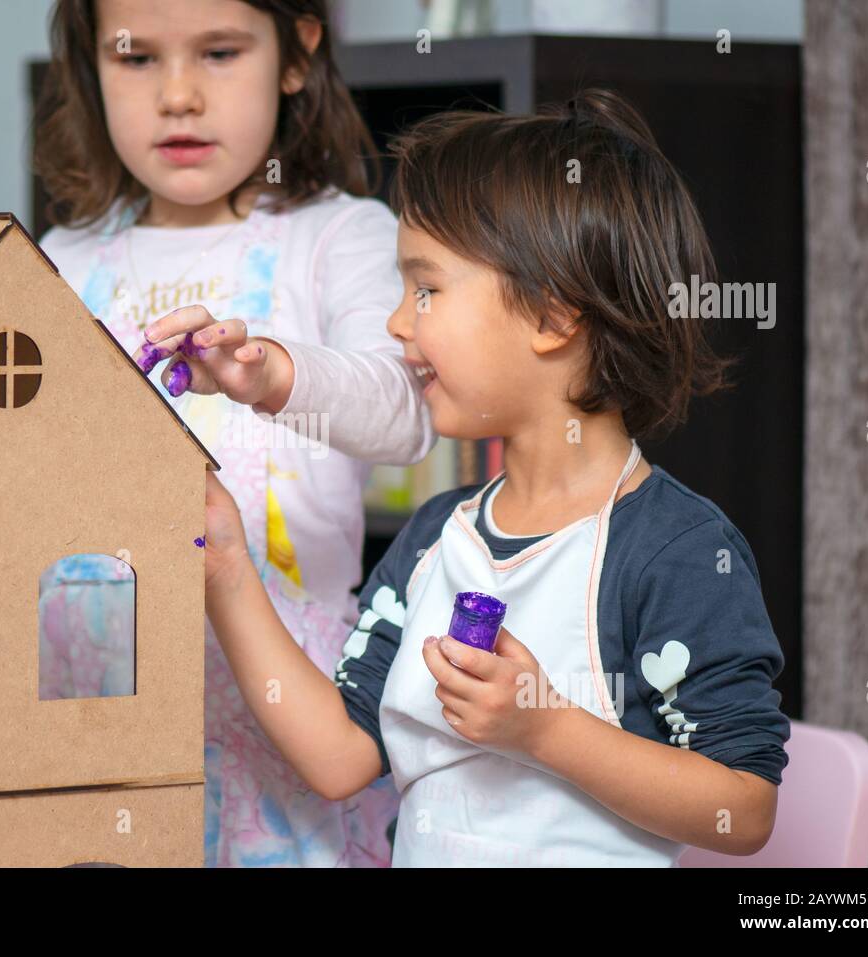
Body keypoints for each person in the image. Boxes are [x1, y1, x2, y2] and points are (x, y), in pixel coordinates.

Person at [199, 89, 792, 866]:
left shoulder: (675, 550)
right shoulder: (432, 538)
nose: (397, 323)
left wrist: (544, 727)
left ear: (552, 315)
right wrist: (227, 567)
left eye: (427, 288)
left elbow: (742, 810)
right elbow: (340, 754)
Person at [34, 0, 435, 866]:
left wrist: (275, 375)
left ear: (296, 54)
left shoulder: (337, 237)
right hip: (91, 730)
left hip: (285, 740)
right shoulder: (60, 259)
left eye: (219, 52)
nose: (178, 95)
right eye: (136, 58)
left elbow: (404, 415)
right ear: (89, 62)